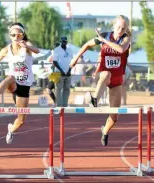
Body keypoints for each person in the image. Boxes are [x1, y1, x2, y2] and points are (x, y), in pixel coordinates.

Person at [70, 15, 131, 146]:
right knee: (106, 74)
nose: (120, 30)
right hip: (103, 73)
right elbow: (87, 45)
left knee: (114, 117)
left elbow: (120, 49)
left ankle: (105, 131)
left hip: (117, 79)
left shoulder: (126, 38)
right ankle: (94, 99)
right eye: (119, 27)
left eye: (124, 28)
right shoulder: (105, 35)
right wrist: (75, 59)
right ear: (113, 26)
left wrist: (103, 40)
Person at [53, 36, 73, 107]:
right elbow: (55, 62)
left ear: (67, 42)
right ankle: (58, 105)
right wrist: (62, 71)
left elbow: (72, 61)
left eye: (65, 41)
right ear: (61, 42)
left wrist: (69, 70)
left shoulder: (70, 50)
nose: (64, 43)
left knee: (67, 89)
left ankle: (65, 105)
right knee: (58, 89)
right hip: (59, 73)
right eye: (62, 41)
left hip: (68, 73)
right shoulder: (56, 50)